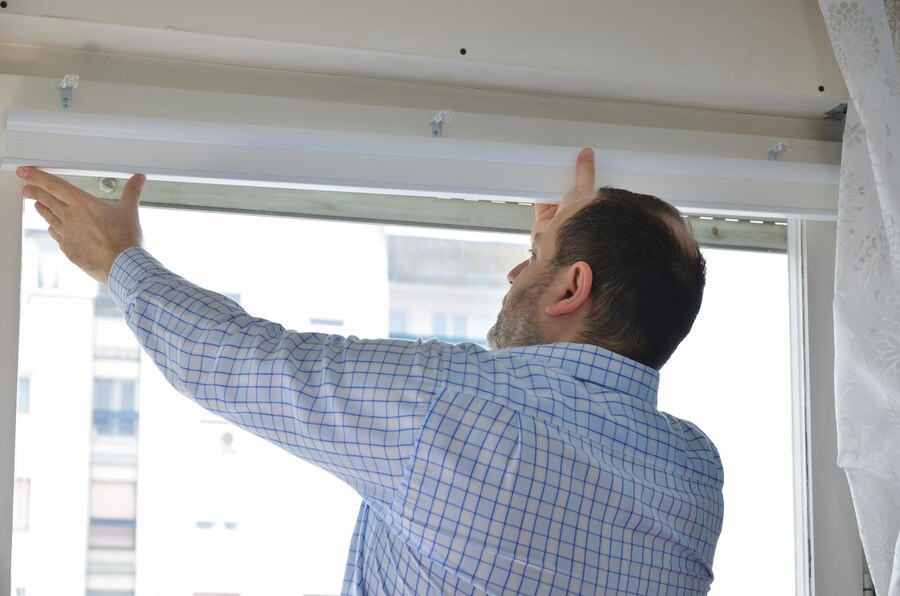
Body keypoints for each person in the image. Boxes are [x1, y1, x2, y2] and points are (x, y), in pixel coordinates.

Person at [18, 148, 723, 595]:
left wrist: (117, 259)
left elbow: (240, 362)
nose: (514, 273)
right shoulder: (694, 475)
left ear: (572, 289)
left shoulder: (445, 408)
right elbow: (548, 413)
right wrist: (561, 255)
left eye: (533, 258)